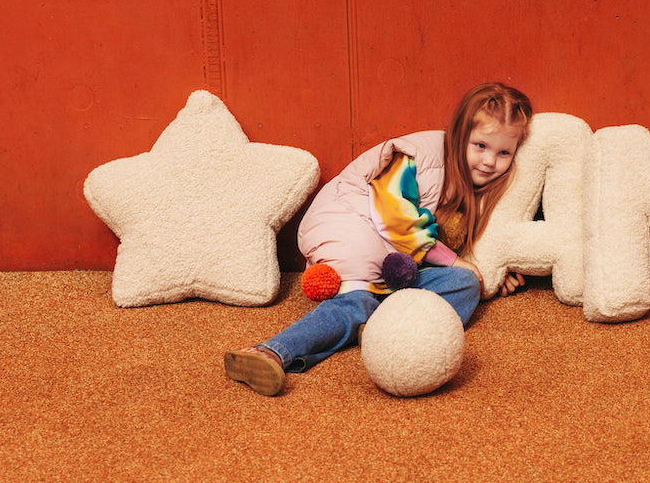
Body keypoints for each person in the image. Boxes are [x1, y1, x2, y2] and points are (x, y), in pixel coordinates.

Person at [224, 82, 533, 395]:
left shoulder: (479, 187)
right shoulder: (421, 157)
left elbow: (464, 246)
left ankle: (380, 330)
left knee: (462, 285)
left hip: (397, 261)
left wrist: (493, 272)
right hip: (351, 226)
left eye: (504, 152)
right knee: (357, 302)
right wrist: (457, 261)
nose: (490, 161)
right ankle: (271, 351)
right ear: (459, 135)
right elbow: (395, 218)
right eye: (480, 145)